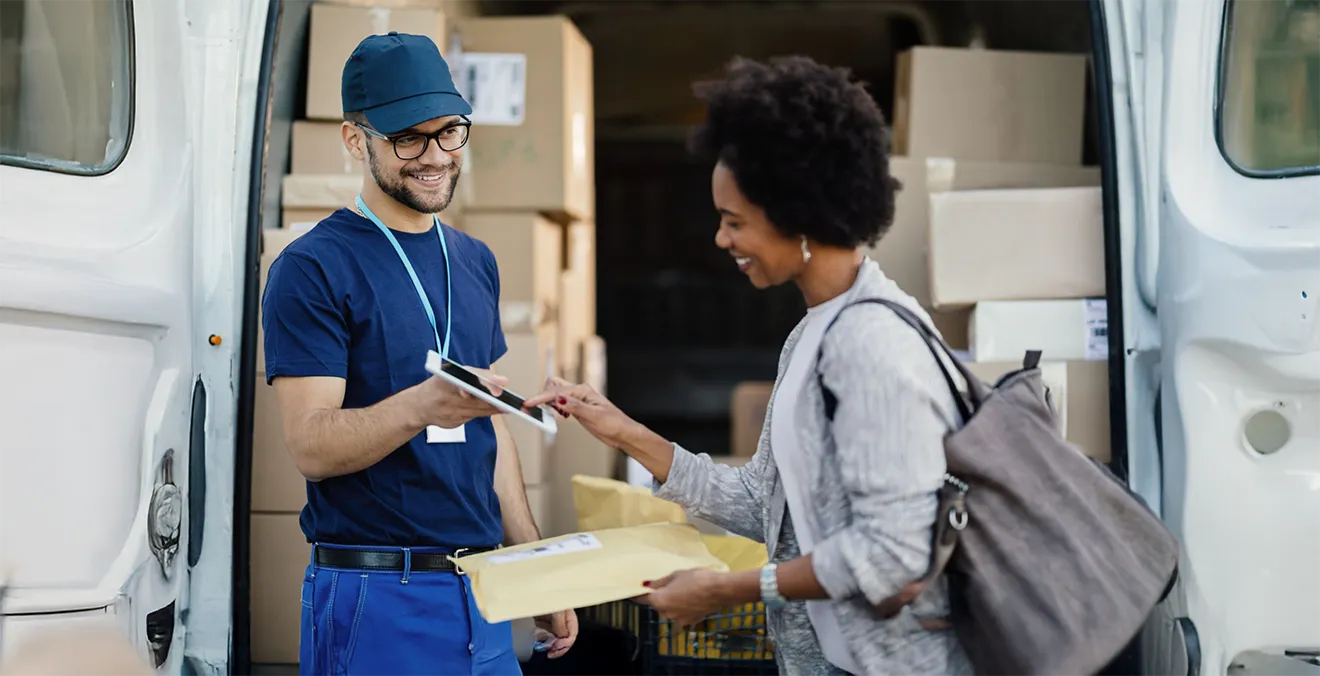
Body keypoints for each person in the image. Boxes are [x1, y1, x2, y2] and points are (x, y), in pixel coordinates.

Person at [525, 56, 971, 675]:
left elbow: (894, 554)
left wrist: (727, 589)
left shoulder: (870, 346)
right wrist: (621, 430)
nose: (720, 240)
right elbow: (764, 505)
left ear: (803, 220)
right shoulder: (814, 333)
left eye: (735, 222)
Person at [261, 32, 576, 675]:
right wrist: (419, 406)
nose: (434, 156)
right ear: (356, 140)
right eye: (409, 137)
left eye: (449, 132)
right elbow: (311, 446)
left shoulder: (475, 260)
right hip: (376, 596)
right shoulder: (314, 266)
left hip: (483, 594)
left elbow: (490, 432)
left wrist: (532, 563)